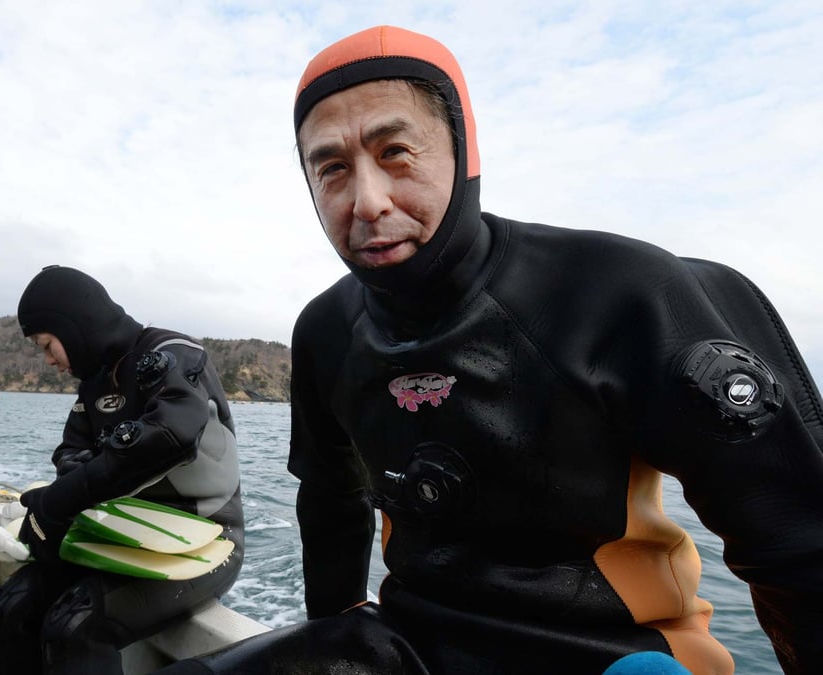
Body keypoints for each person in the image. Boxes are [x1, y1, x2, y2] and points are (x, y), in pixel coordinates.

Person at [154, 25, 823, 675]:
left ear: (464, 150)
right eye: (331, 168)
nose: (367, 201)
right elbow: (331, 507)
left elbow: (797, 542)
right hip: (413, 642)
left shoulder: (612, 293)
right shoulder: (327, 331)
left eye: (396, 152)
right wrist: (332, 634)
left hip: (614, 651)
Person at [0, 265, 244, 674]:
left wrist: (64, 497)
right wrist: (74, 479)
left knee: (76, 626)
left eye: (48, 345)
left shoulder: (174, 353)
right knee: (9, 608)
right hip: (120, 532)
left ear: (75, 327)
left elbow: (171, 434)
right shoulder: (95, 384)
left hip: (207, 540)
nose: (49, 360)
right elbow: (70, 450)